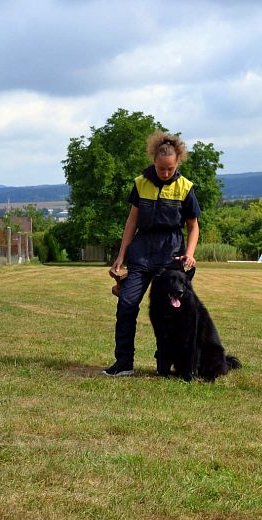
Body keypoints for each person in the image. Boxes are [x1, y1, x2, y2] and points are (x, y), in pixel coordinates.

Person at [103, 131, 201, 377]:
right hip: (142, 253)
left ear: (177, 163)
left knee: (169, 310)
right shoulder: (140, 183)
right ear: (153, 162)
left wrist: (189, 254)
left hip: (171, 256)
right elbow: (131, 221)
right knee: (126, 304)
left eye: (170, 169)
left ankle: (164, 363)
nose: (165, 173)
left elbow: (193, 226)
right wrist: (121, 255)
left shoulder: (185, 188)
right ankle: (124, 363)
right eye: (161, 169)